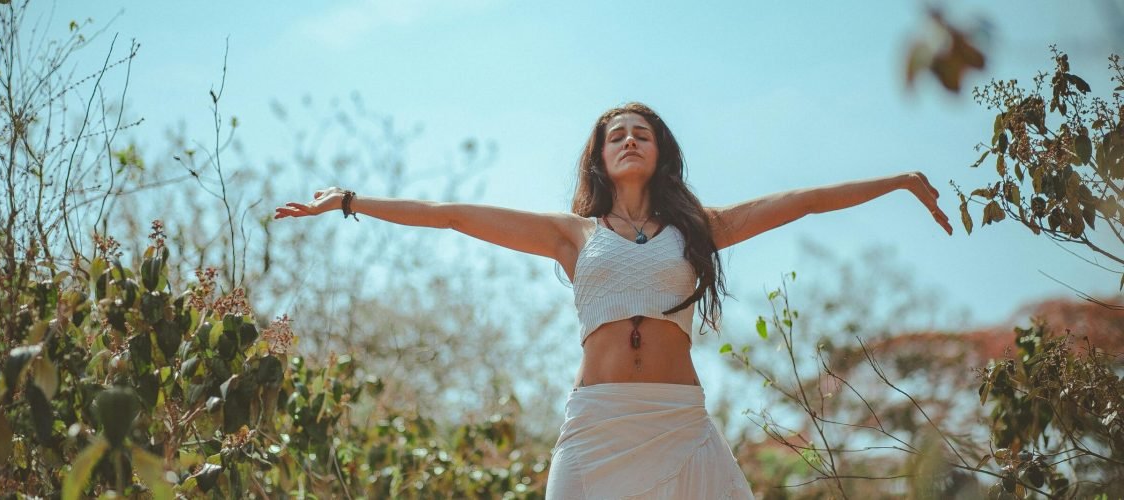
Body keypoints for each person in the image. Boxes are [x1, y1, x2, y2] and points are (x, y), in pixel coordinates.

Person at [274, 102, 952, 499]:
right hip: (596, 425)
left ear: (662, 153)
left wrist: (896, 180)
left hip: (679, 424)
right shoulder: (571, 235)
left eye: (642, 133)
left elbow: (803, 202)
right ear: (599, 156)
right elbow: (451, 214)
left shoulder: (700, 227)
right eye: (616, 134)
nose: (629, 139)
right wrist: (352, 202)